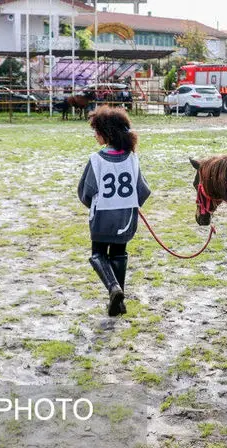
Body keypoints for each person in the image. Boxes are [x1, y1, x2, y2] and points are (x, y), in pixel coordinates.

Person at [77, 106, 150, 316]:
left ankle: (113, 288)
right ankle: (118, 303)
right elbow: (143, 190)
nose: (94, 135)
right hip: (127, 218)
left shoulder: (96, 159)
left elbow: (85, 192)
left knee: (98, 254)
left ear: (105, 134)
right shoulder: (132, 158)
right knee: (119, 253)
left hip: (103, 217)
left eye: (96, 131)